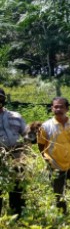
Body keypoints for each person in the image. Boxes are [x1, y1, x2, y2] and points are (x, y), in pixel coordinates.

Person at [37, 97, 70, 213]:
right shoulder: (45, 127)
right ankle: (63, 219)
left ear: (67, 108)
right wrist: (47, 159)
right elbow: (41, 145)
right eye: (55, 107)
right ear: (52, 108)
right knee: (59, 196)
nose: (58, 109)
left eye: (61, 106)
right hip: (55, 165)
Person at [0, 87, 29, 217]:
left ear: (4, 99)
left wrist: (32, 136)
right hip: (1, 157)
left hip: (17, 156)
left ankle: (18, 216)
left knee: (17, 187)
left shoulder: (16, 116)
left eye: (0, 98)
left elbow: (27, 134)